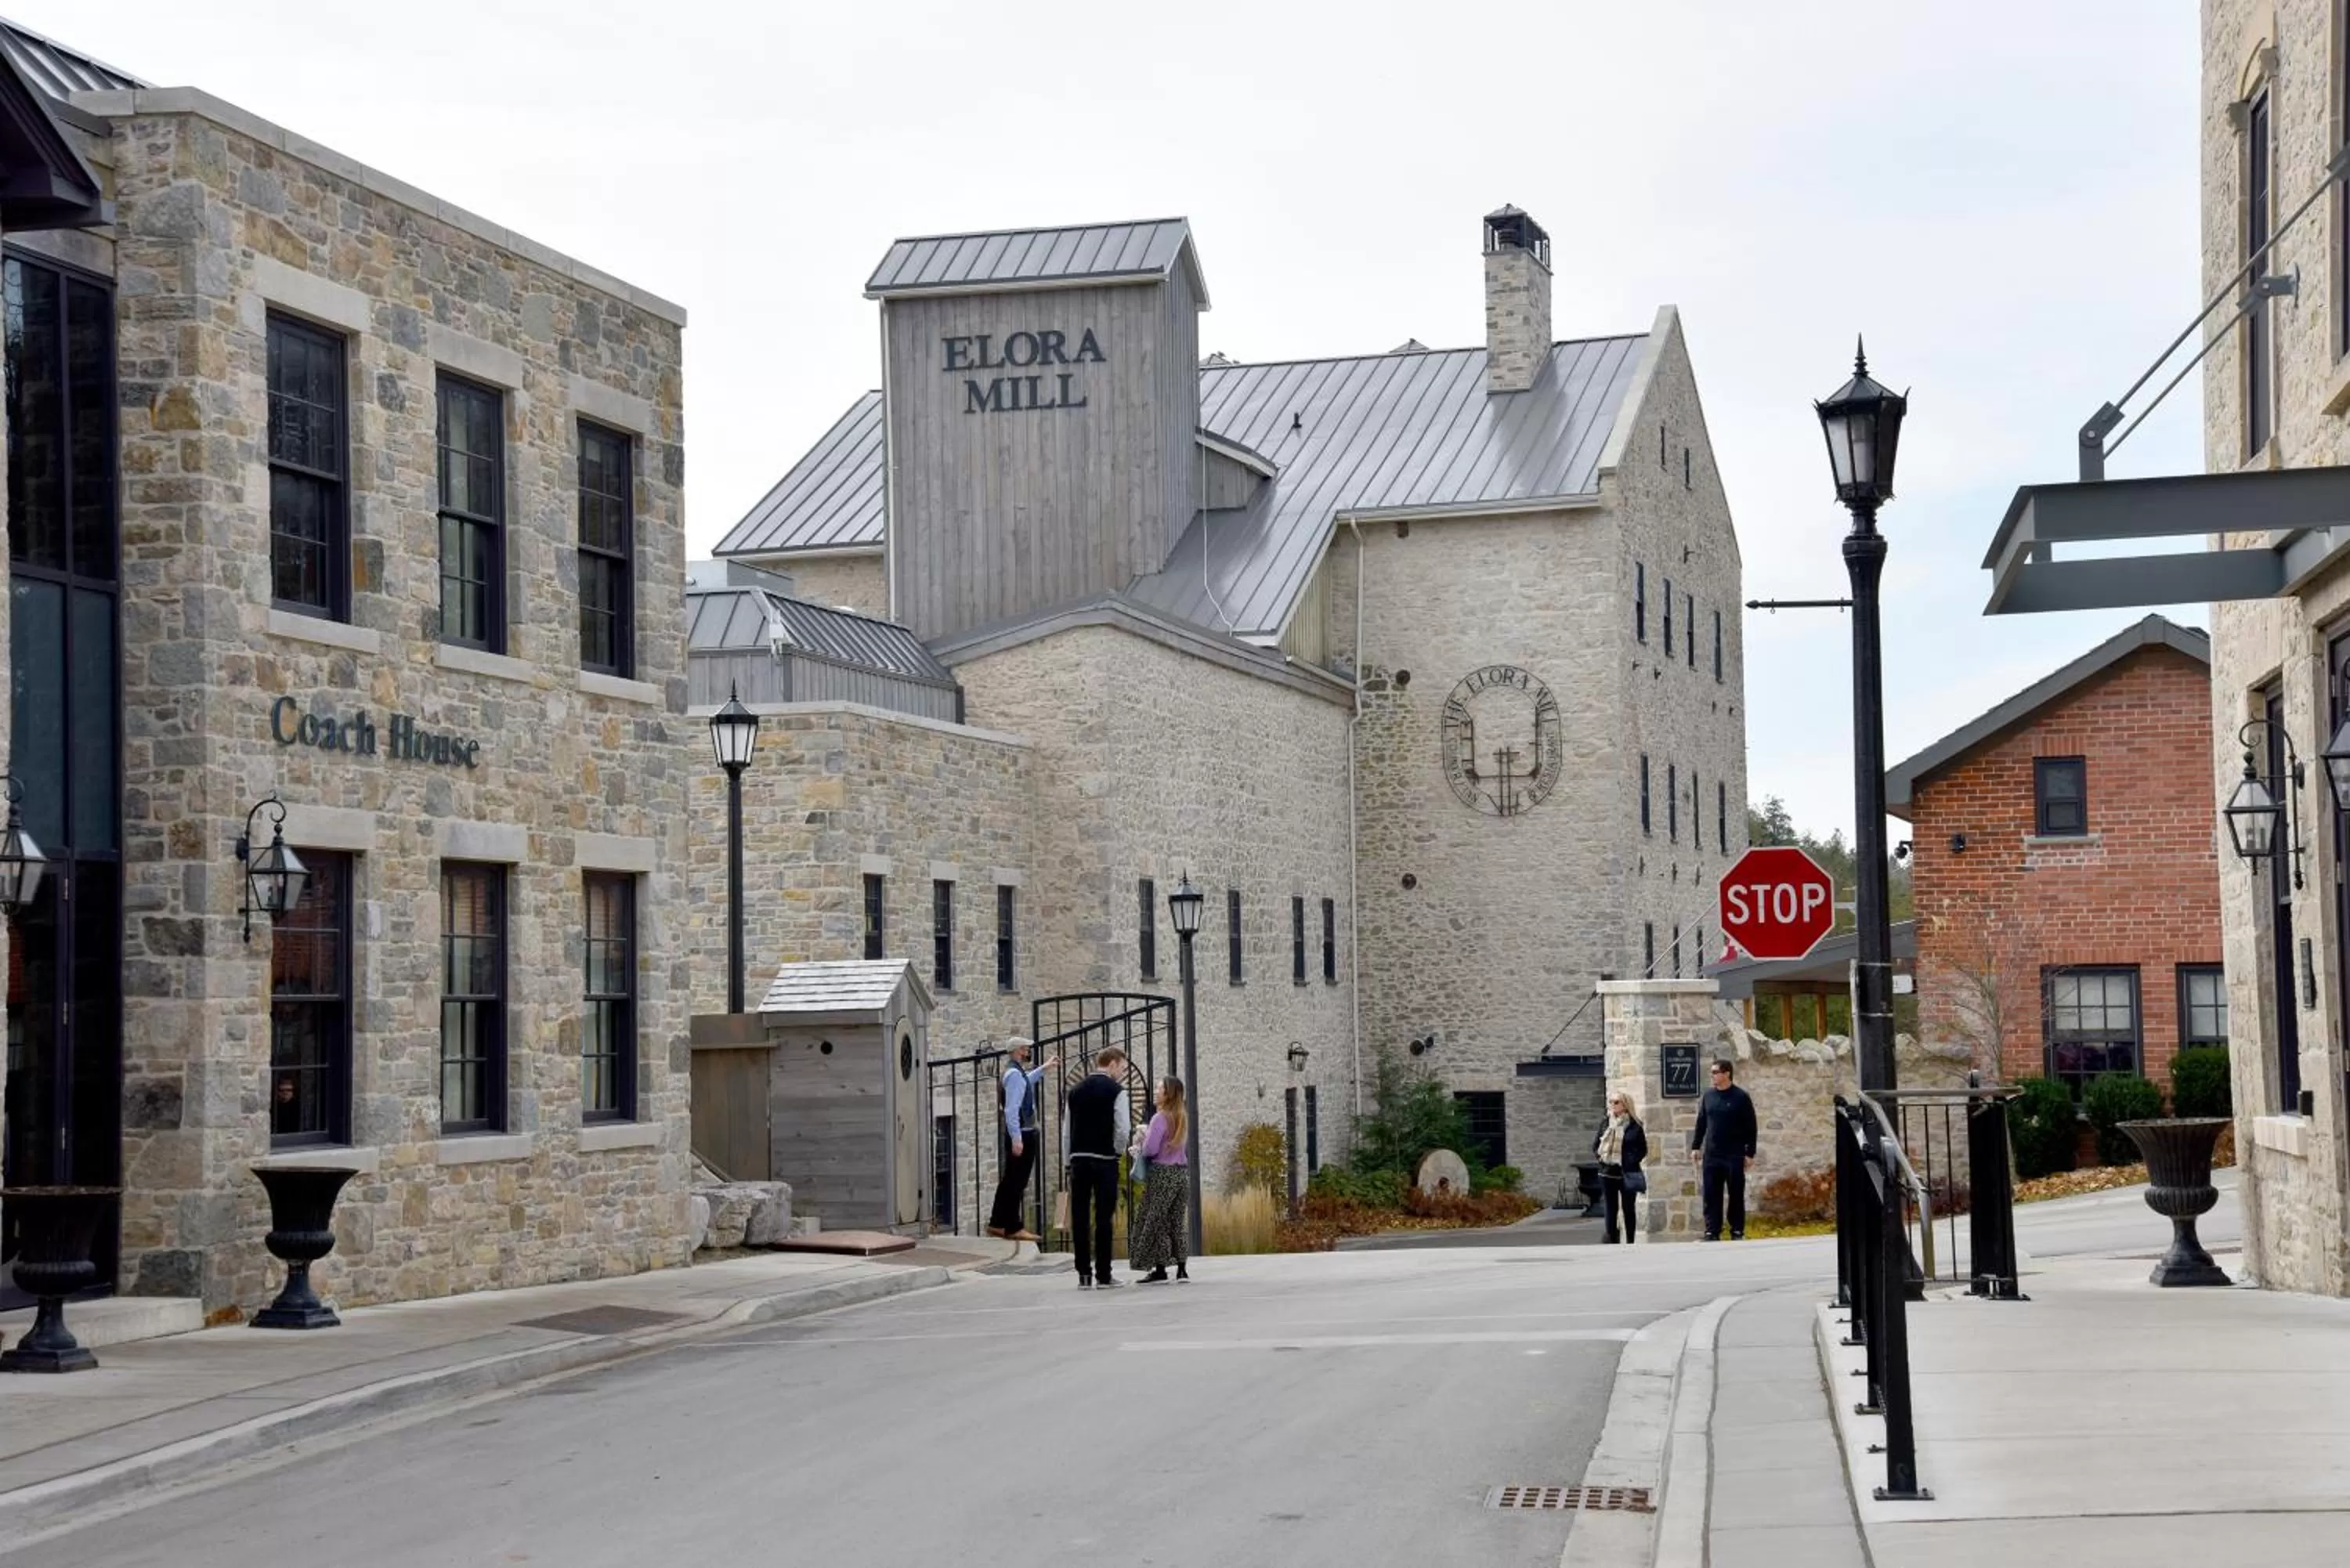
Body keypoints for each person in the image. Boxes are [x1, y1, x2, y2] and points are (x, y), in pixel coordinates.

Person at [1063, 1047, 1131, 1288]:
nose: (1122, 1073)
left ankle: (1083, 1273)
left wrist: (1067, 1161)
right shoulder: (1117, 1092)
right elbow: (1123, 1128)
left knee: (1080, 1217)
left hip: (1079, 1159)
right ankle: (1104, 1274)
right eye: (1121, 1067)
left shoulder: (1075, 1092)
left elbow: (1067, 1131)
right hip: (1105, 1160)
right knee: (1103, 1218)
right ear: (1112, 1064)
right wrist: (1117, 1151)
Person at [985, 1036, 1056, 1241]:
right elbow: (1011, 1110)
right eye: (1026, 1049)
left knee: (1009, 1181)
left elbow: (1026, 1082)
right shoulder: (1015, 1075)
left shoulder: (1015, 1072)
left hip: (1020, 1133)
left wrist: (1043, 1069)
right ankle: (1013, 1227)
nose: (1028, 1052)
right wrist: (1017, 1139)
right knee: (1017, 1182)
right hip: (1023, 1134)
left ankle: (997, 1223)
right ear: (1018, 1051)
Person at [1128, 1076, 1191, 1284]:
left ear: (1168, 1093)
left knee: (1156, 1221)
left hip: (1162, 1174)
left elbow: (1150, 1149)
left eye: (1159, 1089)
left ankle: (1160, 1268)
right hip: (1181, 1174)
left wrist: (1143, 1139)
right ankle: (1182, 1269)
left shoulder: (1160, 1118)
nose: (1155, 1092)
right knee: (1176, 1221)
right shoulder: (1181, 1116)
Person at [1689, 1058, 1759, 1241]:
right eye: (1712, 1073)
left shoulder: (1741, 1097)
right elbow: (1701, 1122)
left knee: (1736, 1193)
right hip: (1712, 1154)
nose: (1712, 1076)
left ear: (1727, 1073)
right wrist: (1696, 1146)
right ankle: (1712, 1231)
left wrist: (1750, 1153)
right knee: (1711, 1194)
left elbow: (1751, 1126)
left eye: (1715, 1072)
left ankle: (1737, 1230)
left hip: (1734, 1153)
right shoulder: (1709, 1096)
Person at [1593, 1090, 1648, 1245]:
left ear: (1625, 1105)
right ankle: (1611, 1241)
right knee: (1611, 1209)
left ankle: (1630, 1241)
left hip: (1627, 1173)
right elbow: (1596, 1145)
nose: (1612, 1105)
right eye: (1611, 1102)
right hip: (1607, 1172)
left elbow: (1642, 1149)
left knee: (1628, 1208)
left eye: (1616, 1102)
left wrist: (1629, 1160)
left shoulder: (1635, 1125)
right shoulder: (1606, 1123)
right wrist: (1602, 1159)